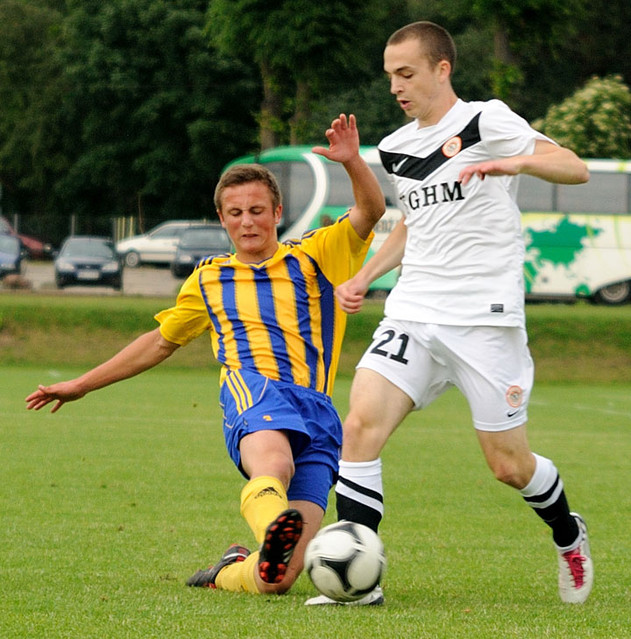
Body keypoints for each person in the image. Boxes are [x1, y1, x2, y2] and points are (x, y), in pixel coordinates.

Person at [25, 114, 386, 596]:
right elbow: (158, 342)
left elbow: (371, 210)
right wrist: (81, 384)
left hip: (317, 412)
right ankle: (275, 526)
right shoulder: (208, 278)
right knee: (272, 465)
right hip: (254, 391)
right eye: (235, 213)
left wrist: (353, 164)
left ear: (277, 213)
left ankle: (230, 569)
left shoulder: (317, 254)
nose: (247, 222)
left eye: (257, 210)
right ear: (222, 219)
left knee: (277, 577)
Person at [305, 21, 593, 606]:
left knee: (509, 466)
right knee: (358, 427)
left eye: (406, 74)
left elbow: (574, 166)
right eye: (389, 77)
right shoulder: (396, 147)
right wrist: (365, 274)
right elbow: (415, 221)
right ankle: (359, 586)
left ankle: (568, 533)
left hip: (485, 319)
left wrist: (517, 164)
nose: (395, 87)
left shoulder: (487, 120)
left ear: (442, 69)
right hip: (414, 311)